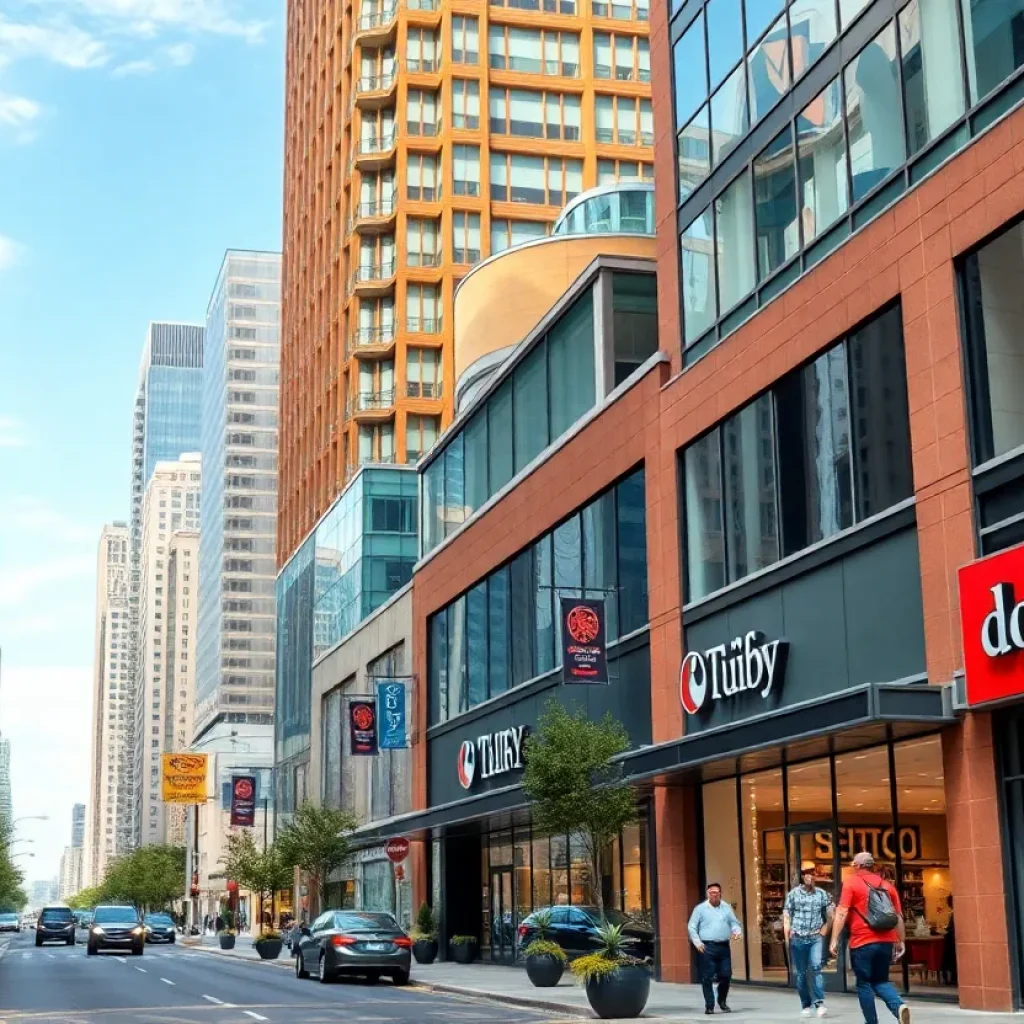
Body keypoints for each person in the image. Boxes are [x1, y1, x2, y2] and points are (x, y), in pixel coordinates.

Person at [830, 852, 911, 1024]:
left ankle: (871, 1022)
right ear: (872, 865)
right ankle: (899, 1007)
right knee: (881, 980)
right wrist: (901, 941)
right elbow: (898, 916)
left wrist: (834, 939)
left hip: (862, 942)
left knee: (864, 983)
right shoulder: (887, 886)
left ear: (857, 866)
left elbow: (842, 912)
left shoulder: (851, 883)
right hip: (886, 942)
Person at [783, 865, 833, 1018]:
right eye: (807, 874)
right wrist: (787, 937)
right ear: (802, 876)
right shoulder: (793, 894)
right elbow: (786, 916)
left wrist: (825, 929)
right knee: (801, 973)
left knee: (817, 967)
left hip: (815, 937)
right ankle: (806, 1004)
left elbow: (831, 914)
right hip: (798, 937)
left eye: (813, 874)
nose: (810, 877)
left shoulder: (822, 894)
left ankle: (819, 1002)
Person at [688, 882, 743, 1015]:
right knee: (707, 977)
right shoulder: (700, 909)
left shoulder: (726, 908)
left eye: (717, 893)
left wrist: (737, 931)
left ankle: (721, 1000)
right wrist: (697, 943)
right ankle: (709, 1005)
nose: (714, 895)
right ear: (708, 894)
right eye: (712, 893)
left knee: (726, 975)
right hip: (707, 947)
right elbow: (692, 926)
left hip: (723, 947)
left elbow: (734, 923)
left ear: (720, 894)